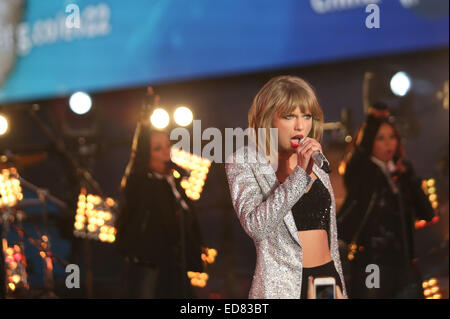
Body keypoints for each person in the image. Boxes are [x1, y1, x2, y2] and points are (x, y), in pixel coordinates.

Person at [225, 75, 347, 299]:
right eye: (289, 116)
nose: (300, 126)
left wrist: (338, 283)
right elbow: (256, 227)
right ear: (268, 119)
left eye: (307, 116)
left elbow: (331, 238)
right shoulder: (244, 162)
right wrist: (300, 174)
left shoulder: (317, 164)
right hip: (282, 288)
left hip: (326, 281)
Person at [337, 103, 435, 298]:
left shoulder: (401, 173)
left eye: (392, 137)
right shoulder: (363, 170)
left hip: (404, 262)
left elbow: (427, 213)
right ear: (370, 140)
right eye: (380, 138)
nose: (388, 143)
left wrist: (410, 178)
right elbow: (361, 155)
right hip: (372, 261)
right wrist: (373, 123)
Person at [115, 117, 203, 298]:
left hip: (177, 264)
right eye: (157, 148)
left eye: (167, 145)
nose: (166, 151)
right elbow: (138, 159)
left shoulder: (174, 183)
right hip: (150, 263)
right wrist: (144, 123)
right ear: (147, 156)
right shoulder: (142, 183)